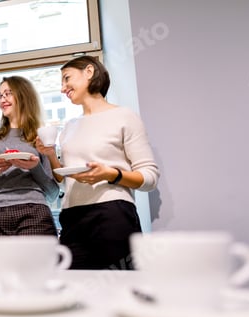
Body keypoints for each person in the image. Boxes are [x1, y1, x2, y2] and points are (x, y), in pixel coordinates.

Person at [37, 55, 160, 270]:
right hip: (72, 217)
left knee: (118, 288)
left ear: (89, 72)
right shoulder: (70, 126)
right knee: (72, 289)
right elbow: (63, 178)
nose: (62, 88)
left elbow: (149, 178)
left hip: (112, 213)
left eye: (67, 78)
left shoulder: (124, 116)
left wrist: (111, 174)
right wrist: (49, 153)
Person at [0, 76, 60, 244]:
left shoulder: (40, 137)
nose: (2, 99)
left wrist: (35, 167)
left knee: (36, 269)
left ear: (24, 95)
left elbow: (53, 193)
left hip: (34, 213)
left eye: (8, 93)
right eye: (0, 95)